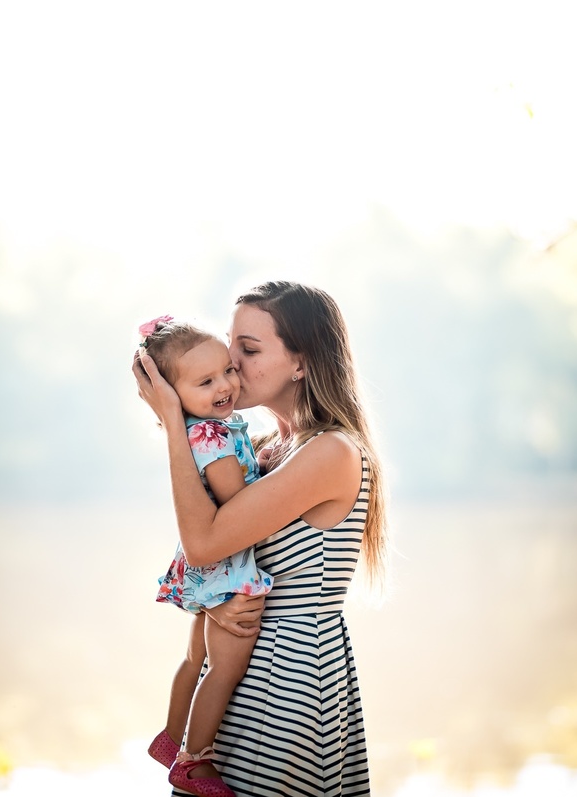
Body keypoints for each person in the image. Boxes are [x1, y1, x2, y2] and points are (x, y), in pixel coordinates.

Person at [133, 281, 387, 797]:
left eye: (248, 350)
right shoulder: (267, 449)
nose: (230, 362)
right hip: (240, 670)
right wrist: (215, 607)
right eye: (231, 345)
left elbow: (206, 544)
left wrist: (175, 425)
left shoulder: (330, 451)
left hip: (290, 678)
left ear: (302, 362)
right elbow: (217, 560)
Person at [136, 316, 274, 797]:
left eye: (227, 372)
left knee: (195, 656)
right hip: (226, 566)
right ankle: (195, 761)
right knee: (224, 667)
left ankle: (171, 737)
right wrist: (273, 478)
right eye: (206, 381)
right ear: (172, 396)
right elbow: (237, 503)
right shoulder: (212, 438)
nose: (225, 386)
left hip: (202, 565)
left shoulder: (203, 430)